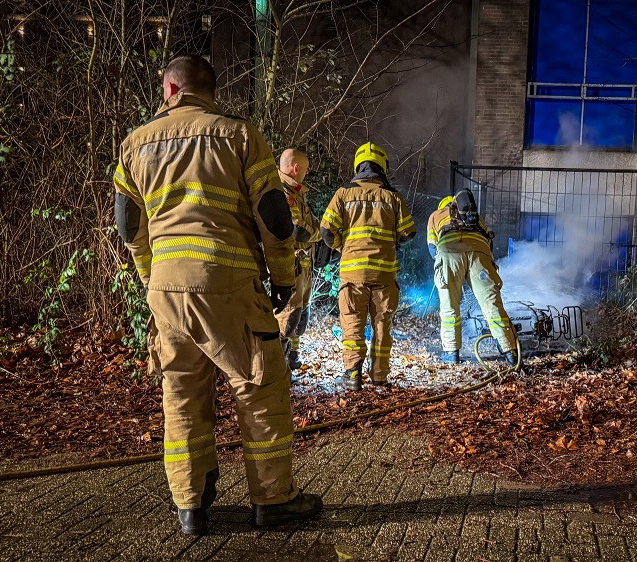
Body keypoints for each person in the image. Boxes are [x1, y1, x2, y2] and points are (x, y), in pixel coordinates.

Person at [112, 54, 322, 535]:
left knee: (181, 395)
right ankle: (273, 500)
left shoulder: (134, 144)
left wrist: (151, 277)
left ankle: (191, 506)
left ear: (170, 90)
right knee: (260, 387)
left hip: (167, 290)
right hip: (229, 284)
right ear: (211, 91)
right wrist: (282, 278)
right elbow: (275, 216)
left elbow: (128, 225)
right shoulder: (239, 135)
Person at [320, 141, 416, 391]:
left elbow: (326, 229)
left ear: (358, 165)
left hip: (353, 273)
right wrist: (392, 244)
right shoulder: (393, 197)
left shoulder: (344, 193)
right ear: (382, 166)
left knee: (352, 322)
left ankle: (352, 375)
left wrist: (342, 247)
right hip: (384, 274)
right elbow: (409, 232)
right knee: (382, 325)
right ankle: (380, 377)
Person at [427, 190, 518, 366]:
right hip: (480, 253)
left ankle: (451, 353)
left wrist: (446, 268)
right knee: (491, 302)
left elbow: (432, 249)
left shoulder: (435, 216)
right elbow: (488, 242)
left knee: (449, 305)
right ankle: (510, 350)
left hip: (449, 252)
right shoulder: (475, 218)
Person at [274, 148, 322, 370]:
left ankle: (291, 357)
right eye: (306, 169)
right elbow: (298, 229)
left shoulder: (297, 194)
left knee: (299, 316)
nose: (307, 172)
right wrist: (320, 234)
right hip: (290, 265)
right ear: (296, 168)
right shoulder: (282, 193)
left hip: (302, 266)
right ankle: (277, 363)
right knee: (288, 316)